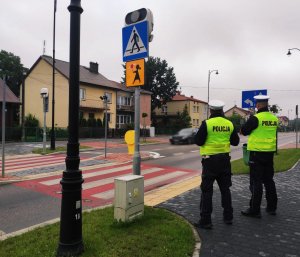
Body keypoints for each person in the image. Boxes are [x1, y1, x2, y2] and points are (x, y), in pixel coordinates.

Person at [194, 100, 240, 229]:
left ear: (211, 110)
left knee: (207, 191)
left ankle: (206, 220)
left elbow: (198, 141)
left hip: (209, 162)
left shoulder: (207, 124)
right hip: (225, 161)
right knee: (225, 189)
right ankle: (228, 217)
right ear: (222, 110)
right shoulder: (229, 124)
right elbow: (235, 142)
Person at [240, 95, 278, 218]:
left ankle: (255, 210)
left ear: (259, 105)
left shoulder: (255, 118)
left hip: (256, 154)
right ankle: (272, 208)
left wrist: (249, 120)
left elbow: (244, 131)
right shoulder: (274, 118)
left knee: (256, 182)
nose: (256, 106)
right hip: (269, 153)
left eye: (256, 104)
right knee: (269, 181)